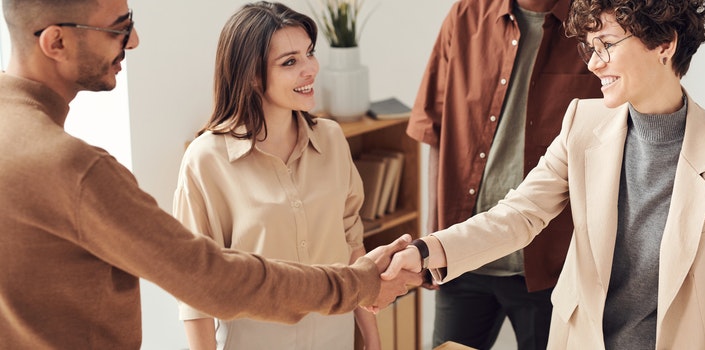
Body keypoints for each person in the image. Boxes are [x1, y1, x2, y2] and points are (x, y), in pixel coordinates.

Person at [0, 0, 421, 348]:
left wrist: (366, 326)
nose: (135, 41)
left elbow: (349, 235)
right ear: (55, 41)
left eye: (309, 53)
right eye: (119, 28)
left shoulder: (330, 139)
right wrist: (357, 284)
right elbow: (205, 281)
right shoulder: (82, 168)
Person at [388, 0, 705, 348]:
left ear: (664, 45)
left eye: (606, 44)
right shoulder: (581, 124)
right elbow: (519, 215)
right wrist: (424, 251)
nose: (593, 63)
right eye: (591, 47)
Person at [173, 2, 380, 349]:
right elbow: (194, 288)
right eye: (290, 62)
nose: (310, 69)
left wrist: (371, 340)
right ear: (252, 76)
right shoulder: (206, 160)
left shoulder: (331, 139)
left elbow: (352, 245)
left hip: (336, 340)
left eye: (309, 54)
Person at [407, 0, 601, 348]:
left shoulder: (594, 23)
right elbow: (435, 131)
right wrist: (435, 236)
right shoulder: (465, 16)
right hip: (461, 258)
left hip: (550, 264)